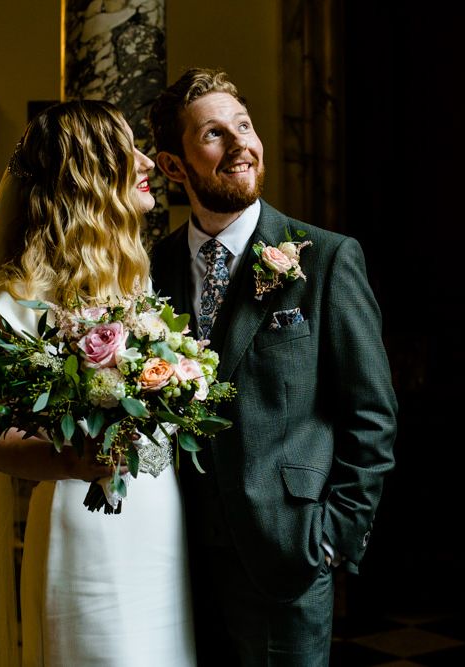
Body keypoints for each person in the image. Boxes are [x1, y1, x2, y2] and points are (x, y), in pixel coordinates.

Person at [149, 68, 398, 666]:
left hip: (286, 557)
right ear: (174, 166)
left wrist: (332, 539)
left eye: (245, 125)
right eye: (214, 133)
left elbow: (372, 416)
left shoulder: (328, 258)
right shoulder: (150, 269)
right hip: (170, 560)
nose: (241, 145)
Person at [0, 100, 196, 666]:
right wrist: (73, 461)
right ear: (89, 177)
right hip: (89, 528)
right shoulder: (15, 300)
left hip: (162, 523)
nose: (146, 161)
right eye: (127, 151)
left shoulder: (137, 281)